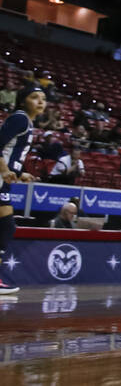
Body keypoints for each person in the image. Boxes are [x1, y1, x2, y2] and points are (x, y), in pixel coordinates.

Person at [1, 84, 42, 294]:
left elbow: (11, 152)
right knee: (6, 226)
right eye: (34, 97)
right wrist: (4, 169)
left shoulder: (26, 122)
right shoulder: (19, 118)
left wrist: (19, 172)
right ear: (22, 101)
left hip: (5, 179)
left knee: (6, 226)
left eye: (43, 97)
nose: (41, 101)